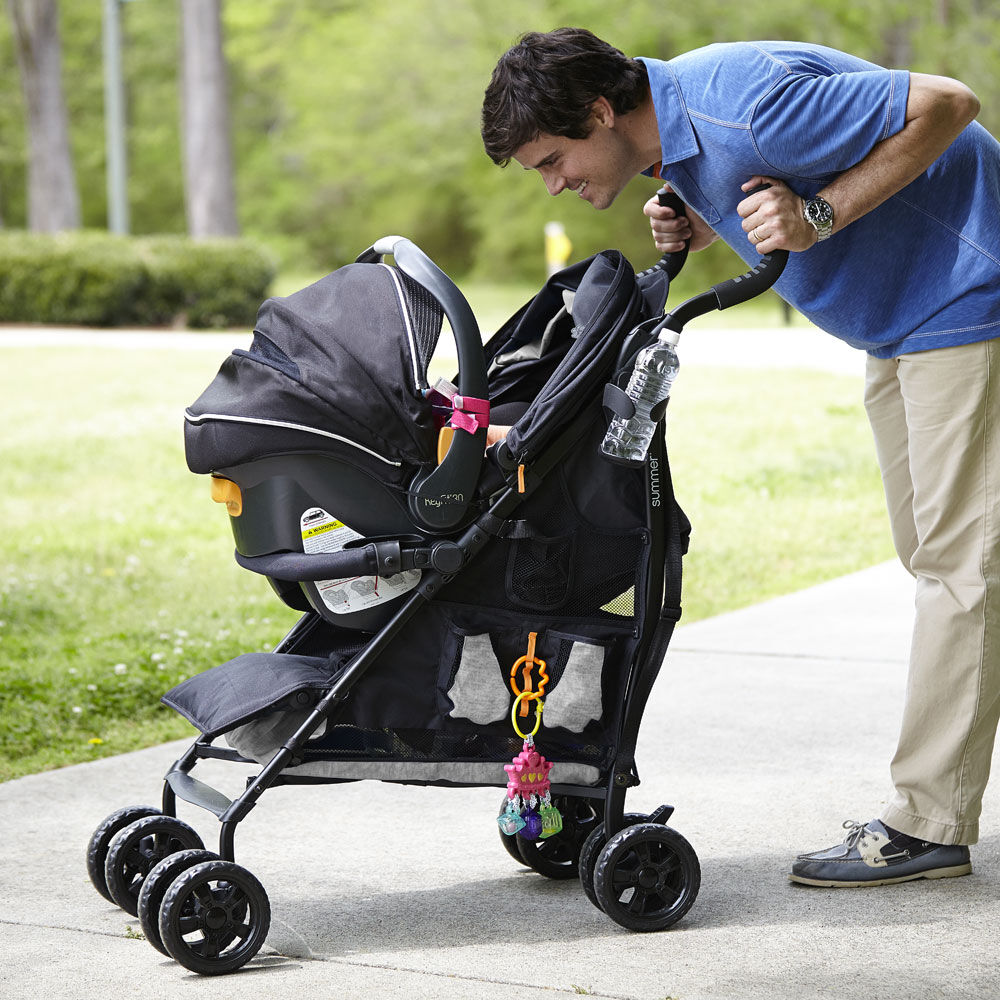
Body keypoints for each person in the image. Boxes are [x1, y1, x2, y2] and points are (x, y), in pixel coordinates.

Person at [481, 27, 1000, 887]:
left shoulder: (743, 104)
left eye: (552, 158)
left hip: (970, 296)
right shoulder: (679, 141)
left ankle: (930, 821)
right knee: (939, 555)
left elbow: (948, 104)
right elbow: (762, 181)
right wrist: (700, 216)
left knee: (961, 569)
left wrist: (819, 215)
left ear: (602, 111)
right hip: (906, 319)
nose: (555, 181)